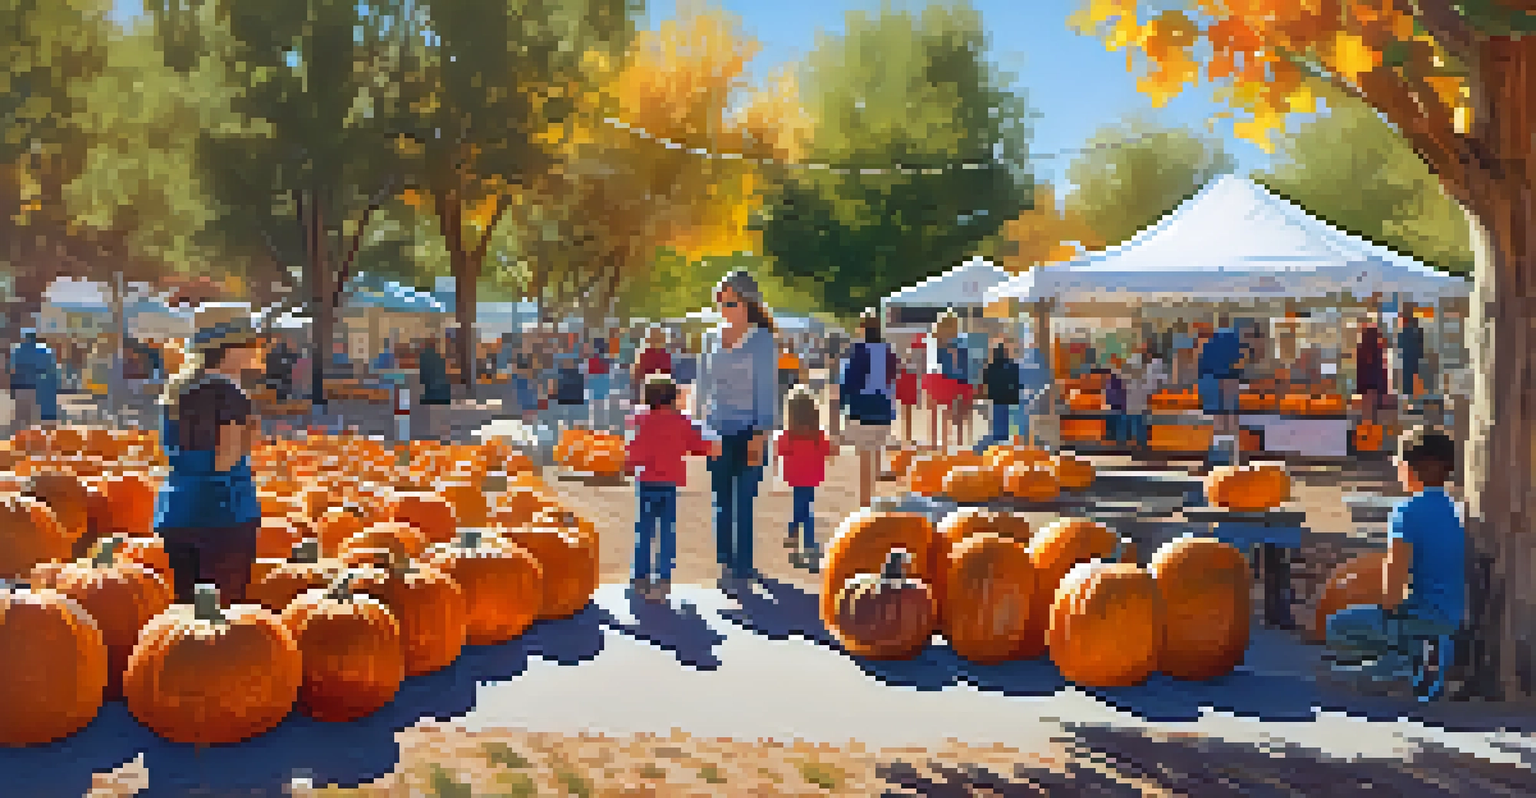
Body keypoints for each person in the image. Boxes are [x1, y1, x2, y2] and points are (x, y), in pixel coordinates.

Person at [1326, 427, 1463, 682]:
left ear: (1408, 469)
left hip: (1421, 620)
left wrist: (1379, 601)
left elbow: (1392, 594)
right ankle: (1417, 656)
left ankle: (1400, 661)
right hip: (1452, 619)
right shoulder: (1455, 511)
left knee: (1337, 626)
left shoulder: (1406, 511)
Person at [153, 304, 266, 606]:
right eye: (249, 344)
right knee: (221, 620)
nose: (254, 351)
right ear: (228, 349)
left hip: (175, 510)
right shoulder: (229, 394)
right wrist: (249, 434)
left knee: (182, 615)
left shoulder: (175, 390)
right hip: (223, 514)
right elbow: (225, 460)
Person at [697, 270, 778, 591]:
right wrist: (699, 426)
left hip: (750, 431)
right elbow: (703, 385)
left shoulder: (762, 340)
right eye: (720, 302)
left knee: (744, 501)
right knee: (721, 500)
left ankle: (743, 564)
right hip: (717, 430)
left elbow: (767, 390)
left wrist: (760, 434)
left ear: (748, 303)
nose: (724, 309)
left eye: (730, 302)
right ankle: (726, 563)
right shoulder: (710, 338)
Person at [625, 375, 718, 602]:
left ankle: (640, 577)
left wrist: (628, 466)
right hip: (669, 483)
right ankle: (663, 578)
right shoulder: (681, 421)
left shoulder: (639, 419)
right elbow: (696, 446)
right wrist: (713, 448)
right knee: (667, 531)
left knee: (644, 531)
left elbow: (633, 449)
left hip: (646, 481)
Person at [840, 310, 899, 507]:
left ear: (862, 328)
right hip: (883, 408)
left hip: (862, 407)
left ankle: (865, 503)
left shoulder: (859, 350)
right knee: (875, 453)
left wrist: (841, 405)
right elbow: (892, 379)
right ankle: (872, 499)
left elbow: (849, 380)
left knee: (865, 456)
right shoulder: (888, 350)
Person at [777, 386, 833, 571]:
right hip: (812, 475)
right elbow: (827, 450)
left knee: (799, 506)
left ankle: (793, 536)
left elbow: (780, 449)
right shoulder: (817, 434)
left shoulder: (790, 434)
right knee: (806, 508)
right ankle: (808, 544)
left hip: (795, 475)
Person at [926, 312, 969, 451]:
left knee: (933, 411)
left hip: (933, 376)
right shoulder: (959, 341)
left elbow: (932, 360)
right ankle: (954, 442)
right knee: (950, 412)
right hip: (950, 377)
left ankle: (934, 441)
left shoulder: (934, 339)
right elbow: (963, 363)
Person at [9, 329, 59, 434]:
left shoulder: (17, 350)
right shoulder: (43, 351)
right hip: (37, 386)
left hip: (20, 386)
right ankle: (34, 441)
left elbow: (12, 370)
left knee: (22, 418)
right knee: (35, 419)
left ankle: (20, 440)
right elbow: (51, 368)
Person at [978, 342, 1021, 452]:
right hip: (1010, 398)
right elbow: (1017, 381)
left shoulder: (990, 367)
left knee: (998, 423)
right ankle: (1008, 444)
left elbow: (984, 381)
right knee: (1011, 424)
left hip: (996, 398)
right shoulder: (1013, 366)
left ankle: (999, 444)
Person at [417, 337, 451, 441]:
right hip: (443, 392)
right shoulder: (440, 358)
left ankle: (434, 439)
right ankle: (444, 437)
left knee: (431, 417)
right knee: (442, 417)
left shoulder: (423, 358)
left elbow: (422, 377)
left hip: (430, 392)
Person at [1357, 320, 1388, 424]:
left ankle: (1365, 433)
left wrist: (1358, 388)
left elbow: (1359, 370)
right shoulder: (1378, 350)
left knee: (1365, 416)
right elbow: (1382, 371)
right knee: (1375, 416)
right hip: (1376, 386)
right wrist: (1384, 389)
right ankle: (1373, 434)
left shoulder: (1360, 350)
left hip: (1364, 386)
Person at [894, 334, 922, 448]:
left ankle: (906, 437)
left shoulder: (914, 351)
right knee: (906, 411)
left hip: (906, 379)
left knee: (906, 411)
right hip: (906, 379)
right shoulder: (916, 351)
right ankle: (906, 437)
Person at [587, 338, 613, 433]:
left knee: (596, 407)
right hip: (601, 385)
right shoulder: (606, 360)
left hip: (596, 385)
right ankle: (600, 427)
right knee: (601, 407)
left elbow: (589, 374)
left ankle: (596, 427)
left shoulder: (593, 360)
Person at [1398, 311, 1425, 399]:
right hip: (1415, 359)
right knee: (1415, 379)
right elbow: (1421, 347)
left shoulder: (1403, 333)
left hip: (1406, 359)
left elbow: (1400, 346)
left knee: (1407, 380)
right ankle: (1415, 398)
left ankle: (1408, 398)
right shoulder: (1418, 332)